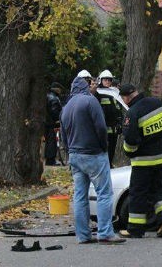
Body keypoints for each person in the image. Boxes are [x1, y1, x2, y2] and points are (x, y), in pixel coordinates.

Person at [60, 77, 125, 244]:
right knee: (104, 193)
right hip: (94, 153)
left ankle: (83, 235)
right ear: (85, 87)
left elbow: (64, 135)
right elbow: (101, 127)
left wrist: (69, 152)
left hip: (75, 156)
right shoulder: (90, 101)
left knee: (80, 195)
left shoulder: (66, 107)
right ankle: (105, 233)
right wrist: (104, 146)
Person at [119, 83, 162, 238]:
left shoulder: (133, 112)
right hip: (160, 158)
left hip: (143, 162)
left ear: (126, 97)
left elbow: (131, 141)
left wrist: (128, 152)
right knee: (157, 189)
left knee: (137, 193)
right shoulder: (156, 103)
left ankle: (135, 230)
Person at [95, 70, 123, 168]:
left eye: (109, 80)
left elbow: (119, 108)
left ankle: (109, 164)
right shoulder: (97, 92)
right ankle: (102, 165)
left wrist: (120, 121)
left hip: (113, 126)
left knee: (112, 147)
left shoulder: (114, 92)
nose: (107, 82)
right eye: (105, 80)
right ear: (100, 80)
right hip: (103, 125)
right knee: (102, 147)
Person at [44, 82, 63, 166]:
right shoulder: (54, 99)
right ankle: (51, 160)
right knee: (52, 142)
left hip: (46, 122)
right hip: (51, 123)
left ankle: (49, 159)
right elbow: (54, 112)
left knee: (49, 141)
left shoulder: (47, 96)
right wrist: (58, 119)